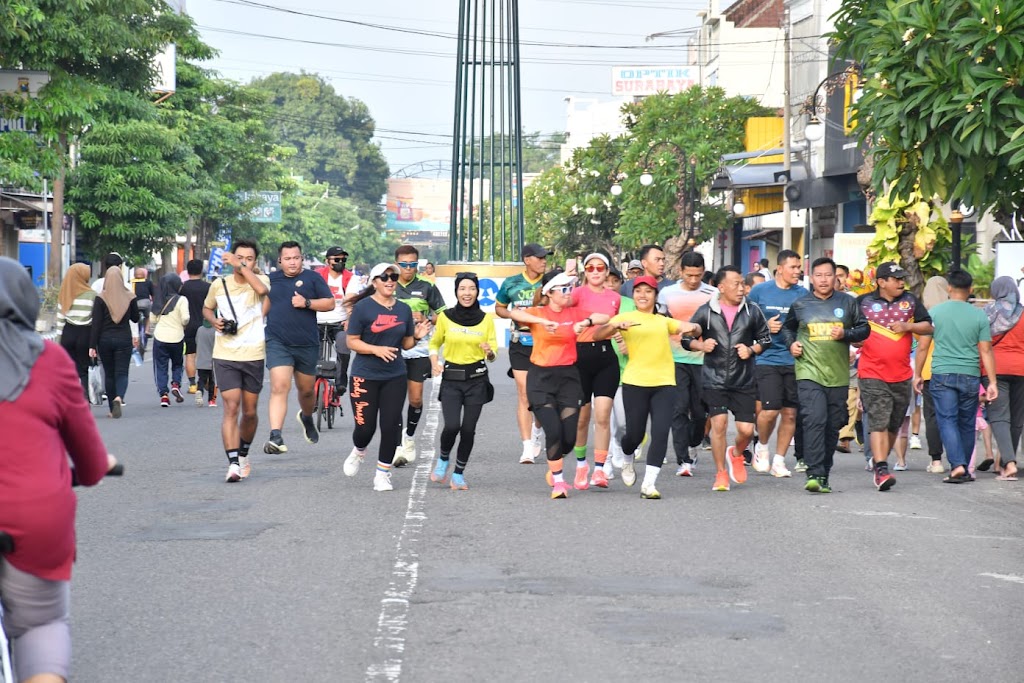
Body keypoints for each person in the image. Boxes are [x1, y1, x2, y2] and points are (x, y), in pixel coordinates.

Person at [0, 257, 118, 683]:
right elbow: (88, 462)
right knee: (39, 625)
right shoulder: (47, 360)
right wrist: (95, 468)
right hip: (33, 519)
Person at [594, 276, 701, 499]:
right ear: (633, 295)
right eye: (638, 291)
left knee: (660, 433)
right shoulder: (625, 317)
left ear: (655, 295)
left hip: (664, 384)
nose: (643, 295)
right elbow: (598, 335)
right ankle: (626, 456)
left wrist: (694, 327)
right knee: (634, 434)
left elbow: (690, 327)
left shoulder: (663, 321)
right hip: (635, 383)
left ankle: (649, 484)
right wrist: (615, 325)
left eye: (648, 291)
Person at [508, 271, 610, 498]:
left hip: (568, 379)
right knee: (553, 430)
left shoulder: (574, 313)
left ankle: (554, 462)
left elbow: (605, 317)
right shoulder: (538, 312)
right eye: (563, 289)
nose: (568, 293)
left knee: (569, 438)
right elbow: (513, 313)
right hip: (541, 379)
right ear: (550, 293)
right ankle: (559, 482)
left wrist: (586, 322)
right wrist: (543, 321)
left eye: (569, 289)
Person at [781, 257, 869, 493]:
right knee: (814, 419)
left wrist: (846, 333)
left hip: (838, 374)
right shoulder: (801, 304)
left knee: (832, 425)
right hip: (808, 371)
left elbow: (864, 329)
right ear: (811, 278)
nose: (823, 280)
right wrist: (792, 345)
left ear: (836, 278)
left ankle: (824, 473)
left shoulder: (847, 303)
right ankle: (813, 472)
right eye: (818, 275)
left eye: (828, 275)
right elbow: (788, 328)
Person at [342, 263, 431, 492]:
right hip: (365, 375)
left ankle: (382, 473)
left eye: (393, 276)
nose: (390, 280)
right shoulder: (363, 308)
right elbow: (352, 341)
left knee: (391, 425)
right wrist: (375, 349)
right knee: (365, 428)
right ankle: (359, 451)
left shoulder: (402, 309)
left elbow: (406, 344)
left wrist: (418, 337)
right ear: (374, 282)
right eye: (384, 277)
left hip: (395, 375)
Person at [683, 266, 771, 491]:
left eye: (742, 284)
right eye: (736, 284)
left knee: (746, 431)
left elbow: (766, 339)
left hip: (743, 380)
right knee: (719, 425)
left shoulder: (753, 311)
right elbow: (685, 339)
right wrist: (701, 344)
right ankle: (721, 473)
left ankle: (737, 453)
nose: (741, 288)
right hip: (715, 378)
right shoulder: (706, 311)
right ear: (721, 287)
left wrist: (751, 350)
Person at [855, 262, 932, 491]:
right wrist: (854, 339)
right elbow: (851, 329)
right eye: (896, 278)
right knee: (878, 419)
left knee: (893, 424)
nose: (901, 282)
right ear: (881, 282)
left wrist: (908, 326)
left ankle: (879, 461)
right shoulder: (863, 303)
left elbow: (928, 327)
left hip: (901, 375)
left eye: (902, 278)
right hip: (871, 372)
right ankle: (880, 468)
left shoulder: (910, 301)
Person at [915, 269, 998, 483]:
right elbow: (986, 350)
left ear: (949, 288)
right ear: (970, 290)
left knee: (947, 420)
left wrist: (917, 374)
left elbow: (923, 347)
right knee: (967, 422)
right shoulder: (979, 315)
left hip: (942, 373)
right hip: (970, 374)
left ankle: (958, 465)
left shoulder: (935, 313)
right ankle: (965, 468)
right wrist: (992, 382)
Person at [204, 240, 271, 482]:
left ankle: (243, 454)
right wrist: (213, 321)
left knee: (250, 412)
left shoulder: (260, 282)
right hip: (225, 354)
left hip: (253, 354)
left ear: (255, 262)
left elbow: (263, 292)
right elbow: (207, 308)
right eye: (239, 257)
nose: (243, 261)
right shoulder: (218, 284)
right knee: (231, 407)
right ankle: (232, 463)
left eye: (248, 258)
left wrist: (240, 266)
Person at [262, 242, 335, 454]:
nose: (292, 262)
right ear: (280, 261)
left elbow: (330, 303)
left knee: (305, 391)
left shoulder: (313, 278)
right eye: (287, 258)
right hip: (278, 342)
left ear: (302, 258)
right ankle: (275, 436)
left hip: (306, 343)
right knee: (279, 386)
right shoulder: (271, 280)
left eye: (296, 257)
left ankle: (306, 416)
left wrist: (308, 303)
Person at [428, 272, 497, 490]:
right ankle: (443, 459)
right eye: (462, 289)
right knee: (452, 425)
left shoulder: (486, 319)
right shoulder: (446, 317)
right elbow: (434, 342)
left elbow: (493, 353)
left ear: (477, 292)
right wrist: (434, 361)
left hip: (477, 380)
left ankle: (458, 473)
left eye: (472, 289)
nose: (467, 293)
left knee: (468, 429)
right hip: (451, 380)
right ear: (456, 291)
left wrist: (489, 352)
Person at [658, 250, 717, 477]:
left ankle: (695, 442)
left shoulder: (713, 294)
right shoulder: (667, 293)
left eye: (698, 275)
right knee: (679, 408)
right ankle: (683, 459)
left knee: (700, 411)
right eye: (689, 275)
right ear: (680, 271)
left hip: (704, 359)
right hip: (675, 358)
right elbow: (660, 321)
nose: (693, 280)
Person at [747, 249, 806, 477]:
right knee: (769, 410)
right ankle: (761, 446)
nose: (797, 271)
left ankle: (779, 461)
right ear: (779, 268)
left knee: (790, 414)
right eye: (793, 267)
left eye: (798, 267)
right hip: (766, 358)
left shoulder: (802, 294)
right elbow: (746, 319)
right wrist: (763, 327)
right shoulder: (760, 291)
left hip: (794, 360)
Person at [495, 243, 551, 464]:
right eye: (539, 258)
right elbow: (499, 307)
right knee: (524, 393)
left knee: (542, 395)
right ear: (527, 260)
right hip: (520, 342)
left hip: (545, 343)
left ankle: (538, 429)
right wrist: (512, 313)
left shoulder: (550, 282)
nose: (544, 261)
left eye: (545, 258)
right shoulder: (511, 283)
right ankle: (527, 446)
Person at [569, 253, 621, 489]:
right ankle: (581, 465)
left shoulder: (614, 298)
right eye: (590, 268)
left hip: (605, 356)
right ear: (584, 271)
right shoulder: (577, 292)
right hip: (578, 356)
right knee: (582, 417)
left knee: (603, 415)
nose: (595, 271)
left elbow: (613, 325)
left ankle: (600, 469)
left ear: (607, 271)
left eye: (600, 267)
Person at [392, 244, 447, 467]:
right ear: (396, 264)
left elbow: (443, 316)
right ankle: (396, 445)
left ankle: (409, 437)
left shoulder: (427, 287)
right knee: (394, 400)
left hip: (418, 350)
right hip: (392, 349)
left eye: (412, 264)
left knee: (415, 399)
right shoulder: (387, 285)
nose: (408, 268)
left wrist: (425, 317)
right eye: (404, 264)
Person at [984, 276, 1024, 481]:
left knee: (999, 417)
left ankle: (1008, 464)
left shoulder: (989, 312)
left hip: (995, 369)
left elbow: (981, 343)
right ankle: (1005, 461)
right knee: (1017, 420)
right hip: (1022, 370)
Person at [89, 266, 140, 419]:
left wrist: (92, 345)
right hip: (124, 338)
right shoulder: (130, 297)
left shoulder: (100, 298)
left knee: (109, 374)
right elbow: (135, 318)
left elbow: (96, 324)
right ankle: (119, 397)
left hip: (104, 340)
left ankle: (112, 408)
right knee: (122, 372)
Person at [917, 276, 949, 472]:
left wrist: (916, 374)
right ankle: (960, 460)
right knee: (953, 415)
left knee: (932, 416)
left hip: (930, 370)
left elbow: (921, 347)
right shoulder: (957, 312)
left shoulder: (926, 316)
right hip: (956, 369)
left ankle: (936, 460)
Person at [315, 246, 355, 402]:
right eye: (336, 259)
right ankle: (312, 384)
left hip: (339, 322)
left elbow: (350, 301)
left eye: (343, 260)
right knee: (311, 351)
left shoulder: (350, 278)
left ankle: (340, 382)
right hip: (317, 321)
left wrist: (349, 320)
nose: (340, 262)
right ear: (327, 261)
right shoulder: (318, 276)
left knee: (344, 345)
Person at [55, 263, 96, 398]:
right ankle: (84, 399)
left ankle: (69, 398)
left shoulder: (65, 293)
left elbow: (60, 319)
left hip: (68, 333)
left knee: (69, 369)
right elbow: (95, 319)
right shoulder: (92, 295)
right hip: (85, 333)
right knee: (83, 369)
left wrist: (57, 342)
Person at [150, 273, 190, 407]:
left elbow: (152, 319)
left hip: (160, 337)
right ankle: (176, 384)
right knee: (177, 364)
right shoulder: (182, 299)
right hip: (177, 337)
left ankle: (164, 395)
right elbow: (185, 318)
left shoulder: (158, 299)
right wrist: (182, 325)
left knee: (160, 366)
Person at [179, 259, 211, 396]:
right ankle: (206, 382)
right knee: (206, 355)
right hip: (205, 325)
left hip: (188, 325)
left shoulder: (182, 288)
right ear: (201, 270)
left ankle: (192, 384)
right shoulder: (208, 287)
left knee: (190, 355)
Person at [195, 318, 217, 407]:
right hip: (211, 361)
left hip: (201, 360)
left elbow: (197, 341)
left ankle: (199, 390)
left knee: (202, 379)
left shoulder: (200, 330)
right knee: (212, 381)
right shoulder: (215, 331)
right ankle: (211, 400)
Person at [131, 267, 153, 356]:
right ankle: (147, 330)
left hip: (135, 303)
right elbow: (153, 294)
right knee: (148, 316)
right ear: (144, 275)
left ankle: (134, 332)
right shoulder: (148, 282)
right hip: (145, 302)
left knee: (133, 319)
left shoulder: (132, 282)